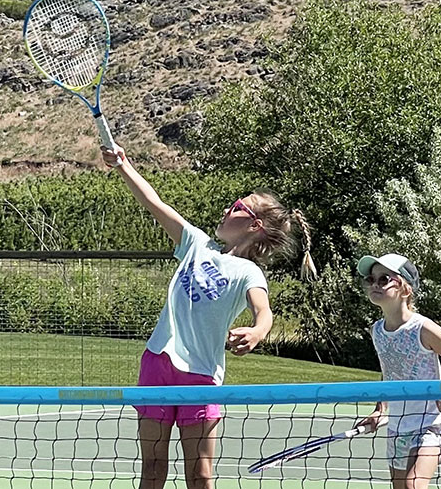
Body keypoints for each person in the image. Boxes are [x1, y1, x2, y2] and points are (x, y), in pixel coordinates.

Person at [101, 144, 315, 489]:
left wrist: (259, 332)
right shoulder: (195, 244)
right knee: (153, 469)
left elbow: (264, 310)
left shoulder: (248, 272)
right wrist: (123, 165)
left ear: (253, 224)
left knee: (200, 476)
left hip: (201, 377)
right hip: (157, 364)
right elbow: (155, 203)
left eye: (237, 207)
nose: (227, 210)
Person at [354, 253, 441, 489]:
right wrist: (380, 410)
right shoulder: (377, 331)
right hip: (398, 425)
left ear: (405, 289)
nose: (375, 284)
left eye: (384, 279)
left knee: (412, 485)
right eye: (371, 279)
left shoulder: (423, 328)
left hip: (432, 424)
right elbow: (389, 373)